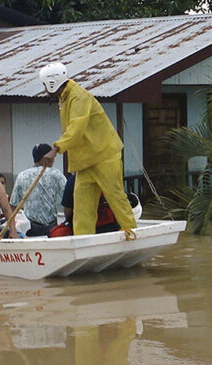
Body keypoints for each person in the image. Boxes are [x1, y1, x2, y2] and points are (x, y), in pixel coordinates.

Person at [38, 62, 137, 239]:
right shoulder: (65, 98)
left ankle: (131, 231)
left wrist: (56, 149)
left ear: (51, 83)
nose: (45, 89)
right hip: (85, 161)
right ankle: (83, 240)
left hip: (103, 156)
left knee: (115, 196)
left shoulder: (79, 97)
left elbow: (77, 128)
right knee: (82, 205)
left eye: (45, 85)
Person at [10, 143, 67, 236]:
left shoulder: (22, 176)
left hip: (30, 225)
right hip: (51, 225)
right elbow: (68, 197)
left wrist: (12, 228)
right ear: (46, 158)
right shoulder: (56, 174)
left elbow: (13, 204)